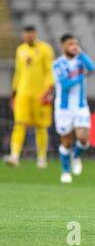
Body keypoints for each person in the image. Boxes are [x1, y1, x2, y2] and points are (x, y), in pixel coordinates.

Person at [3, 26, 54, 169]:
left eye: (31, 34)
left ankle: (42, 158)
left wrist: (49, 89)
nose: (28, 36)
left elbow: (50, 71)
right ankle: (14, 156)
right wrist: (14, 91)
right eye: (26, 34)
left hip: (40, 94)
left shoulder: (45, 49)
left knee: (41, 125)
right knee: (19, 124)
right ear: (23, 35)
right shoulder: (20, 50)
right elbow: (19, 72)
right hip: (23, 93)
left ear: (35, 34)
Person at [53, 34, 95, 183]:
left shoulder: (80, 61)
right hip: (64, 108)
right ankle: (65, 172)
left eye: (76, 44)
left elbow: (92, 68)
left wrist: (82, 53)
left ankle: (76, 156)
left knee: (83, 139)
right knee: (66, 142)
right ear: (63, 46)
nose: (74, 46)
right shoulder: (58, 64)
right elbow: (65, 85)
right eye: (71, 44)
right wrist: (82, 76)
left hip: (80, 106)